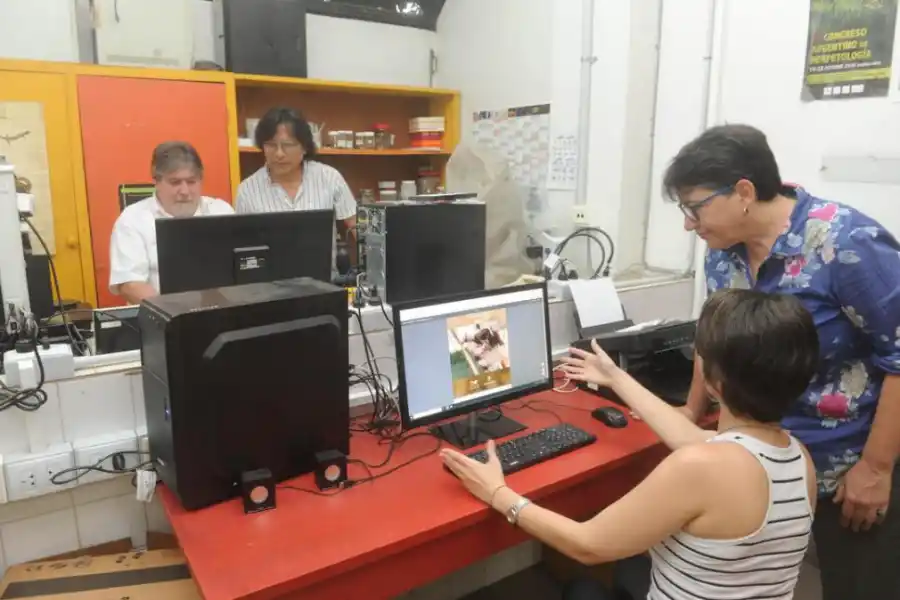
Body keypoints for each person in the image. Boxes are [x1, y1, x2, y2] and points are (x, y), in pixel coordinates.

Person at [443, 289, 819, 600]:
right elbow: (692, 438)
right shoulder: (798, 457)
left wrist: (497, 493)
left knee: (583, 590)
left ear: (711, 379)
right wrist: (616, 378)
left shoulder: (700, 467)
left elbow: (586, 545)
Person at [667, 124, 900, 600]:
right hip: (760, 461)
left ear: (744, 192)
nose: (689, 224)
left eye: (694, 207)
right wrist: (692, 412)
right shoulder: (722, 255)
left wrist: (876, 468)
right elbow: (714, 340)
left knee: (858, 586)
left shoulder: (846, 242)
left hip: (845, 463)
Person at [109, 141, 233, 304]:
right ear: (156, 181)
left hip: (221, 312)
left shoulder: (221, 211)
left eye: (191, 181)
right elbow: (130, 285)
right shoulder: (133, 219)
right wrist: (173, 313)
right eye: (175, 182)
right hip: (161, 317)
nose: (185, 191)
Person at [235, 107, 357, 266]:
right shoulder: (247, 190)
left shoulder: (329, 177)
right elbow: (243, 252)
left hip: (325, 283)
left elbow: (357, 227)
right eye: (271, 145)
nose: (279, 154)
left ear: (304, 147)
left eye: (288, 145)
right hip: (269, 286)